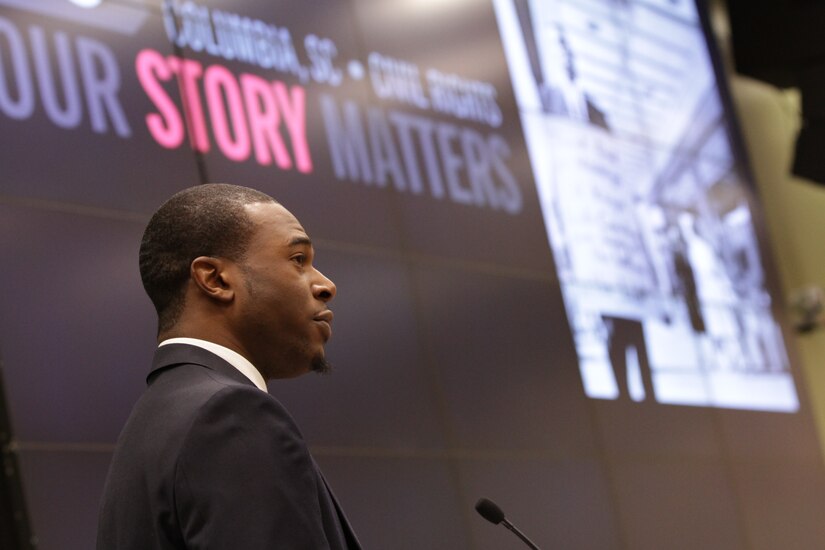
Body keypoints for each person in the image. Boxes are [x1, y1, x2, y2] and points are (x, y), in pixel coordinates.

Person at [96, 183, 361, 549]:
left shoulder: (156, 420)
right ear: (215, 279)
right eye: (298, 259)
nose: (326, 285)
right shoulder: (231, 416)